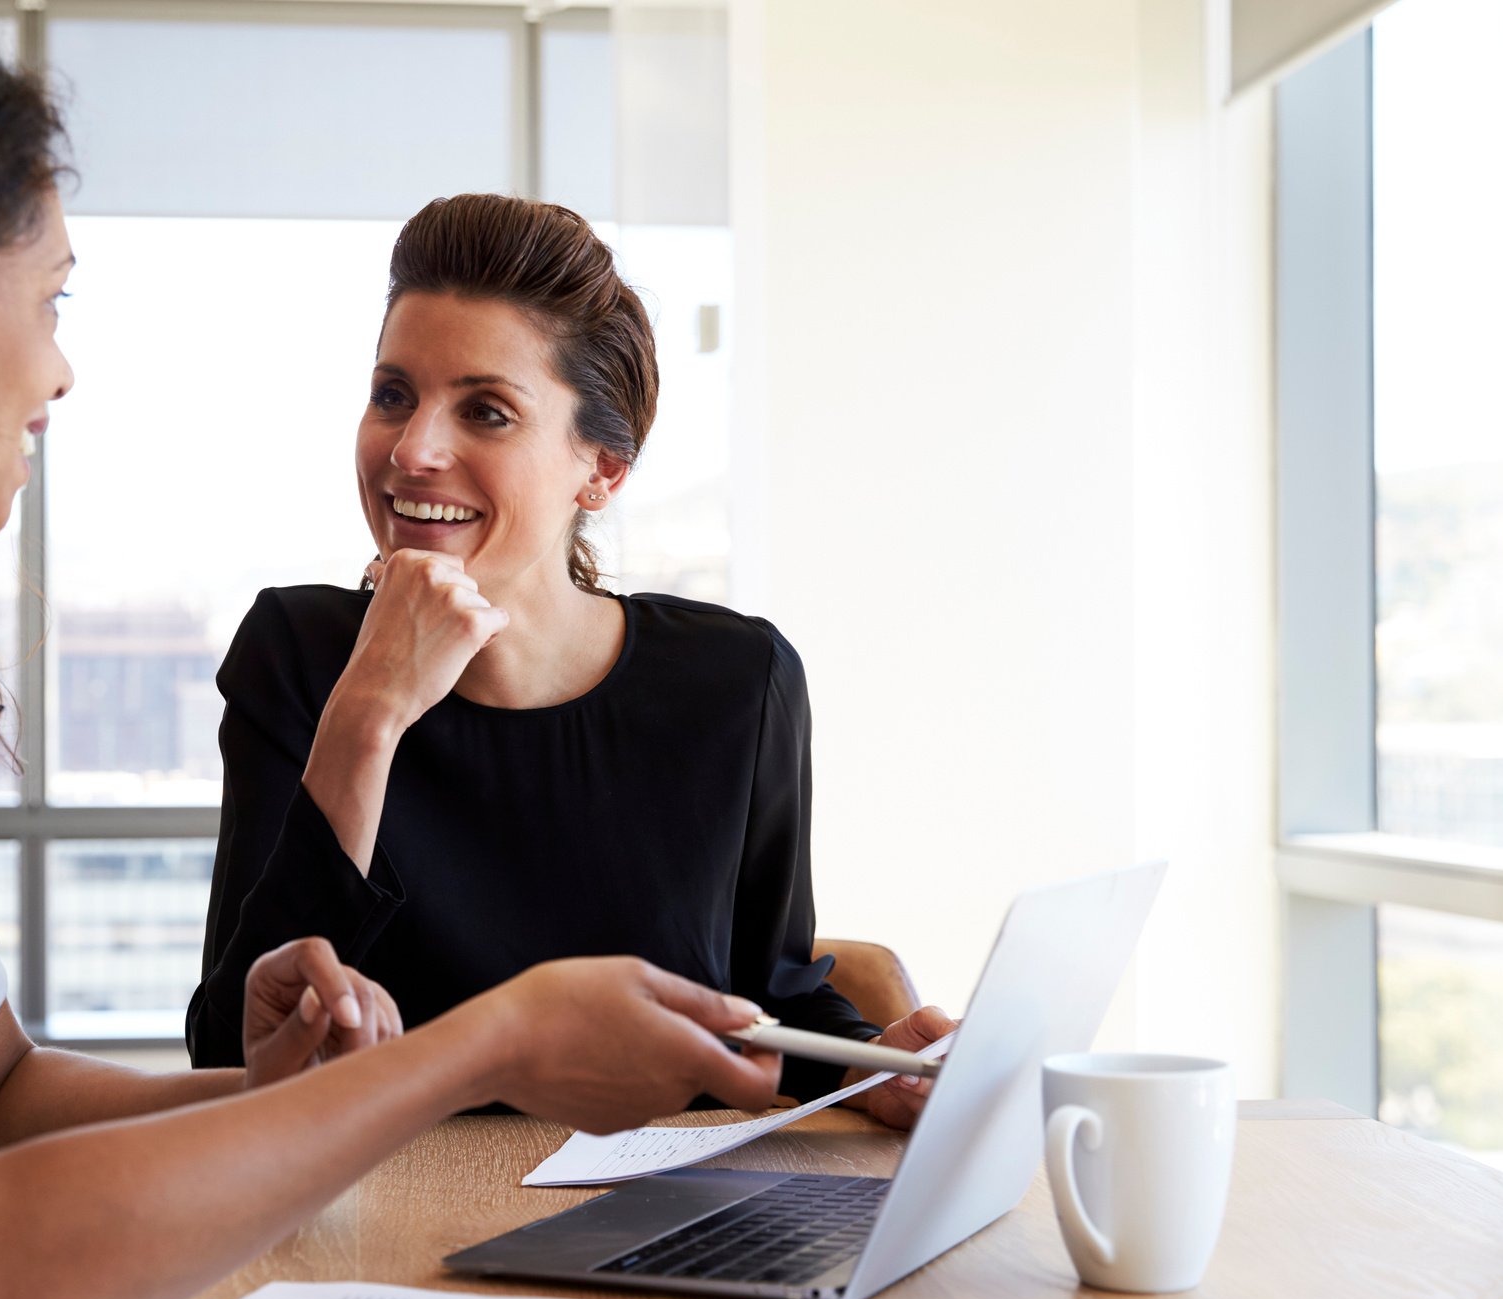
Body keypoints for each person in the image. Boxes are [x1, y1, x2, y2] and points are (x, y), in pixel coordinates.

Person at [0, 4, 787, 1299]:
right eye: (49, 302)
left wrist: (291, 1091)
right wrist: (483, 1045)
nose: (61, 370)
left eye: (484, 408)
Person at [185, 194, 956, 1127]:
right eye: (394, 394)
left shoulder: (737, 685)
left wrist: (871, 1069)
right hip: (392, 1236)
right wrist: (372, 711)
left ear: (603, 468)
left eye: (487, 411)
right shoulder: (298, 659)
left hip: (667, 1232)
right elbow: (233, 1055)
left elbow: (771, 1001)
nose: (415, 447)